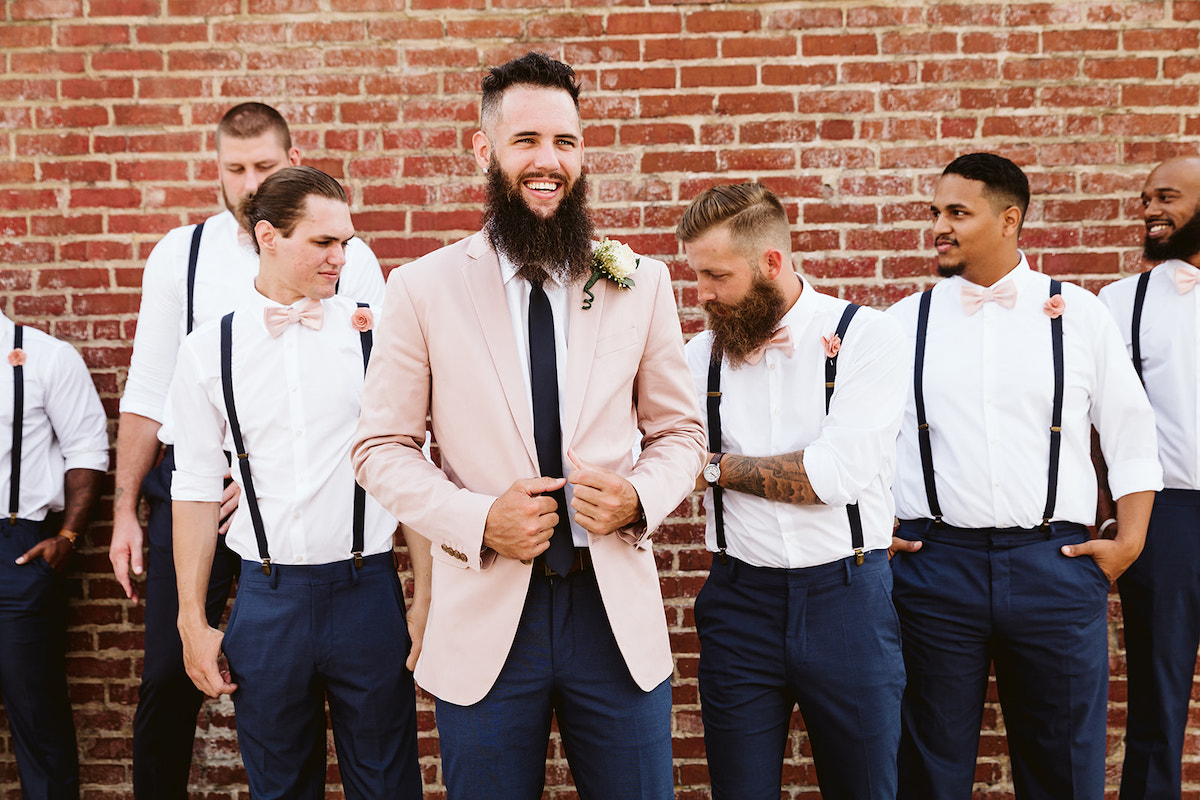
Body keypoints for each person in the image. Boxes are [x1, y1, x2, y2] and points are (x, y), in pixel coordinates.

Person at [352, 51, 705, 799]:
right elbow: (381, 447)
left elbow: (680, 434)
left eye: (566, 143)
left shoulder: (640, 281)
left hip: (611, 619)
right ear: (484, 151)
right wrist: (480, 520)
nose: (549, 161)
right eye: (527, 142)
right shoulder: (420, 288)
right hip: (485, 616)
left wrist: (640, 498)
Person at [109, 102, 385, 799]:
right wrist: (123, 512)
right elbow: (150, 391)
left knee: (378, 763)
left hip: (336, 535)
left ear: (288, 164)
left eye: (263, 167)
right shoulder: (183, 255)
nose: (247, 181)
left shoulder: (351, 272)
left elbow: (386, 409)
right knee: (172, 674)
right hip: (216, 498)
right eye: (235, 169)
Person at [887, 152, 1162, 799]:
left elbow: (1131, 432)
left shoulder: (1082, 315)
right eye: (936, 212)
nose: (939, 227)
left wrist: (1129, 544)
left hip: (1055, 566)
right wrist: (877, 529)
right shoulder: (905, 322)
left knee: (1065, 767)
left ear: (1010, 220)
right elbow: (866, 439)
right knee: (927, 769)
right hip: (935, 569)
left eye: (958, 212)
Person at [168, 165, 423, 800]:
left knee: (388, 786)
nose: (342, 257)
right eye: (324, 242)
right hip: (266, 598)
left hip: (367, 591)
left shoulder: (379, 337)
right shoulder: (209, 350)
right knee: (278, 790)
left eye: (347, 241)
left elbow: (411, 466)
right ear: (268, 236)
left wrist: (426, 597)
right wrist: (191, 620)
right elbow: (195, 488)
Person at [676, 183, 907, 800]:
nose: (702, 294)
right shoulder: (696, 357)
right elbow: (655, 457)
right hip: (738, 602)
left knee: (865, 788)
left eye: (717, 276)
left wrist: (715, 468)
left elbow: (833, 477)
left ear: (770, 263)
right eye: (697, 274)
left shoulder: (866, 338)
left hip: (848, 599)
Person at [1097, 155, 1200, 800]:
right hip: (1169, 519)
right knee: (1158, 696)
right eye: (1144, 199)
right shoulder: (1118, 304)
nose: (1149, 210)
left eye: (1166, 196)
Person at [0, 311, 108, 800]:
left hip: (19, 549)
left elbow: (87, 448)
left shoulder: (46, 357)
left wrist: (66, 536)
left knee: (36, 709)